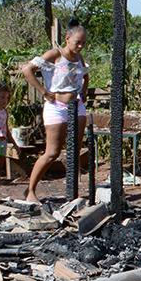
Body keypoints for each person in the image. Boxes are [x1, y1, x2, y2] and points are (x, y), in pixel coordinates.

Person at [19, 24, 89, 203]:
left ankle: (73, 191)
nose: (80, 46)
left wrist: (84, 93)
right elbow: (27, 70)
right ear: (67, 39)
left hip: (77, 106)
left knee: (75, 150)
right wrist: (43, 91)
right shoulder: (54, 55)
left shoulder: (79, 58)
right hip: (56, 106)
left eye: (83, 43)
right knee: (52, 152)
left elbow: (85, 76)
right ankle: (31, 190)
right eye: (77, 42)